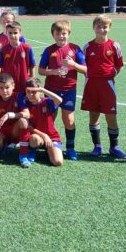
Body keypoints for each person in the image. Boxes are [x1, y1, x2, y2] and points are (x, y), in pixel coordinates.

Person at [38, 19, 86, 160]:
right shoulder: (49, 50)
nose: (61, 36)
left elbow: (85, 69)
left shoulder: (75, 49)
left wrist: (74, 64)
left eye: (64, 33)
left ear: (68, 34)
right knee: (49, 118)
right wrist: (53, 72)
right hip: (51, 90)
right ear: (53, 34)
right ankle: (47, 145)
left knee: (69, 120)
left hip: (69, 89)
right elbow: (41, 70)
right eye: (58, 33)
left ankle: (70, 148)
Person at [81, 15, 126, 158]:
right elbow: (83, 66)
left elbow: (119, 65)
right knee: (93, 115)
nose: (102, 29)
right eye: (99, 26)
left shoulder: (114, 45)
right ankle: (97, 146)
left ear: (109, 28)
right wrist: (91, 76)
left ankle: (114, 147)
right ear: (94, 28)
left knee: (111, 117)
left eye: (105, 27)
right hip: (91, 85)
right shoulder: (87, 46)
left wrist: (110, 75)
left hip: (107, 85)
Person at [18, 78, 64, 168]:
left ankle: (49, 149)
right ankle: (33, 149)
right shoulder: (25, 104)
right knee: (34, 139)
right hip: (36, 136)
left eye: (34, 92)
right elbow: (29, 127)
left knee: (57, 162)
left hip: (52, 137)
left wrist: (42, 90)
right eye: (28, 92)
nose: (30, 95)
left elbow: (60, 100)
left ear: (39, 91)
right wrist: (44, 135)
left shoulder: (47, 102)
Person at [0, 73, 28, 161]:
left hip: (14, 130)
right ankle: (4, 144)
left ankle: (23, 154)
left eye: (7, 87)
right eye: (1, 88)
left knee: (23, 120)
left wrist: (10, 115)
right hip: (0, 130)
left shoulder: (19, 97)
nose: (4, 91)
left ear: (13, 86)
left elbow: (27, 114)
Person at [0, 21, 36, 95]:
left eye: (15, 33)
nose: (13, 35)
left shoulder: (27, 48)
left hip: (24, 83)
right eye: (10, 33)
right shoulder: (4, 49)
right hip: (9, 86)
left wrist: (32, 82)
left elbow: (32, 66)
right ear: (6, 33)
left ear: (20, 34)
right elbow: (1, 68)